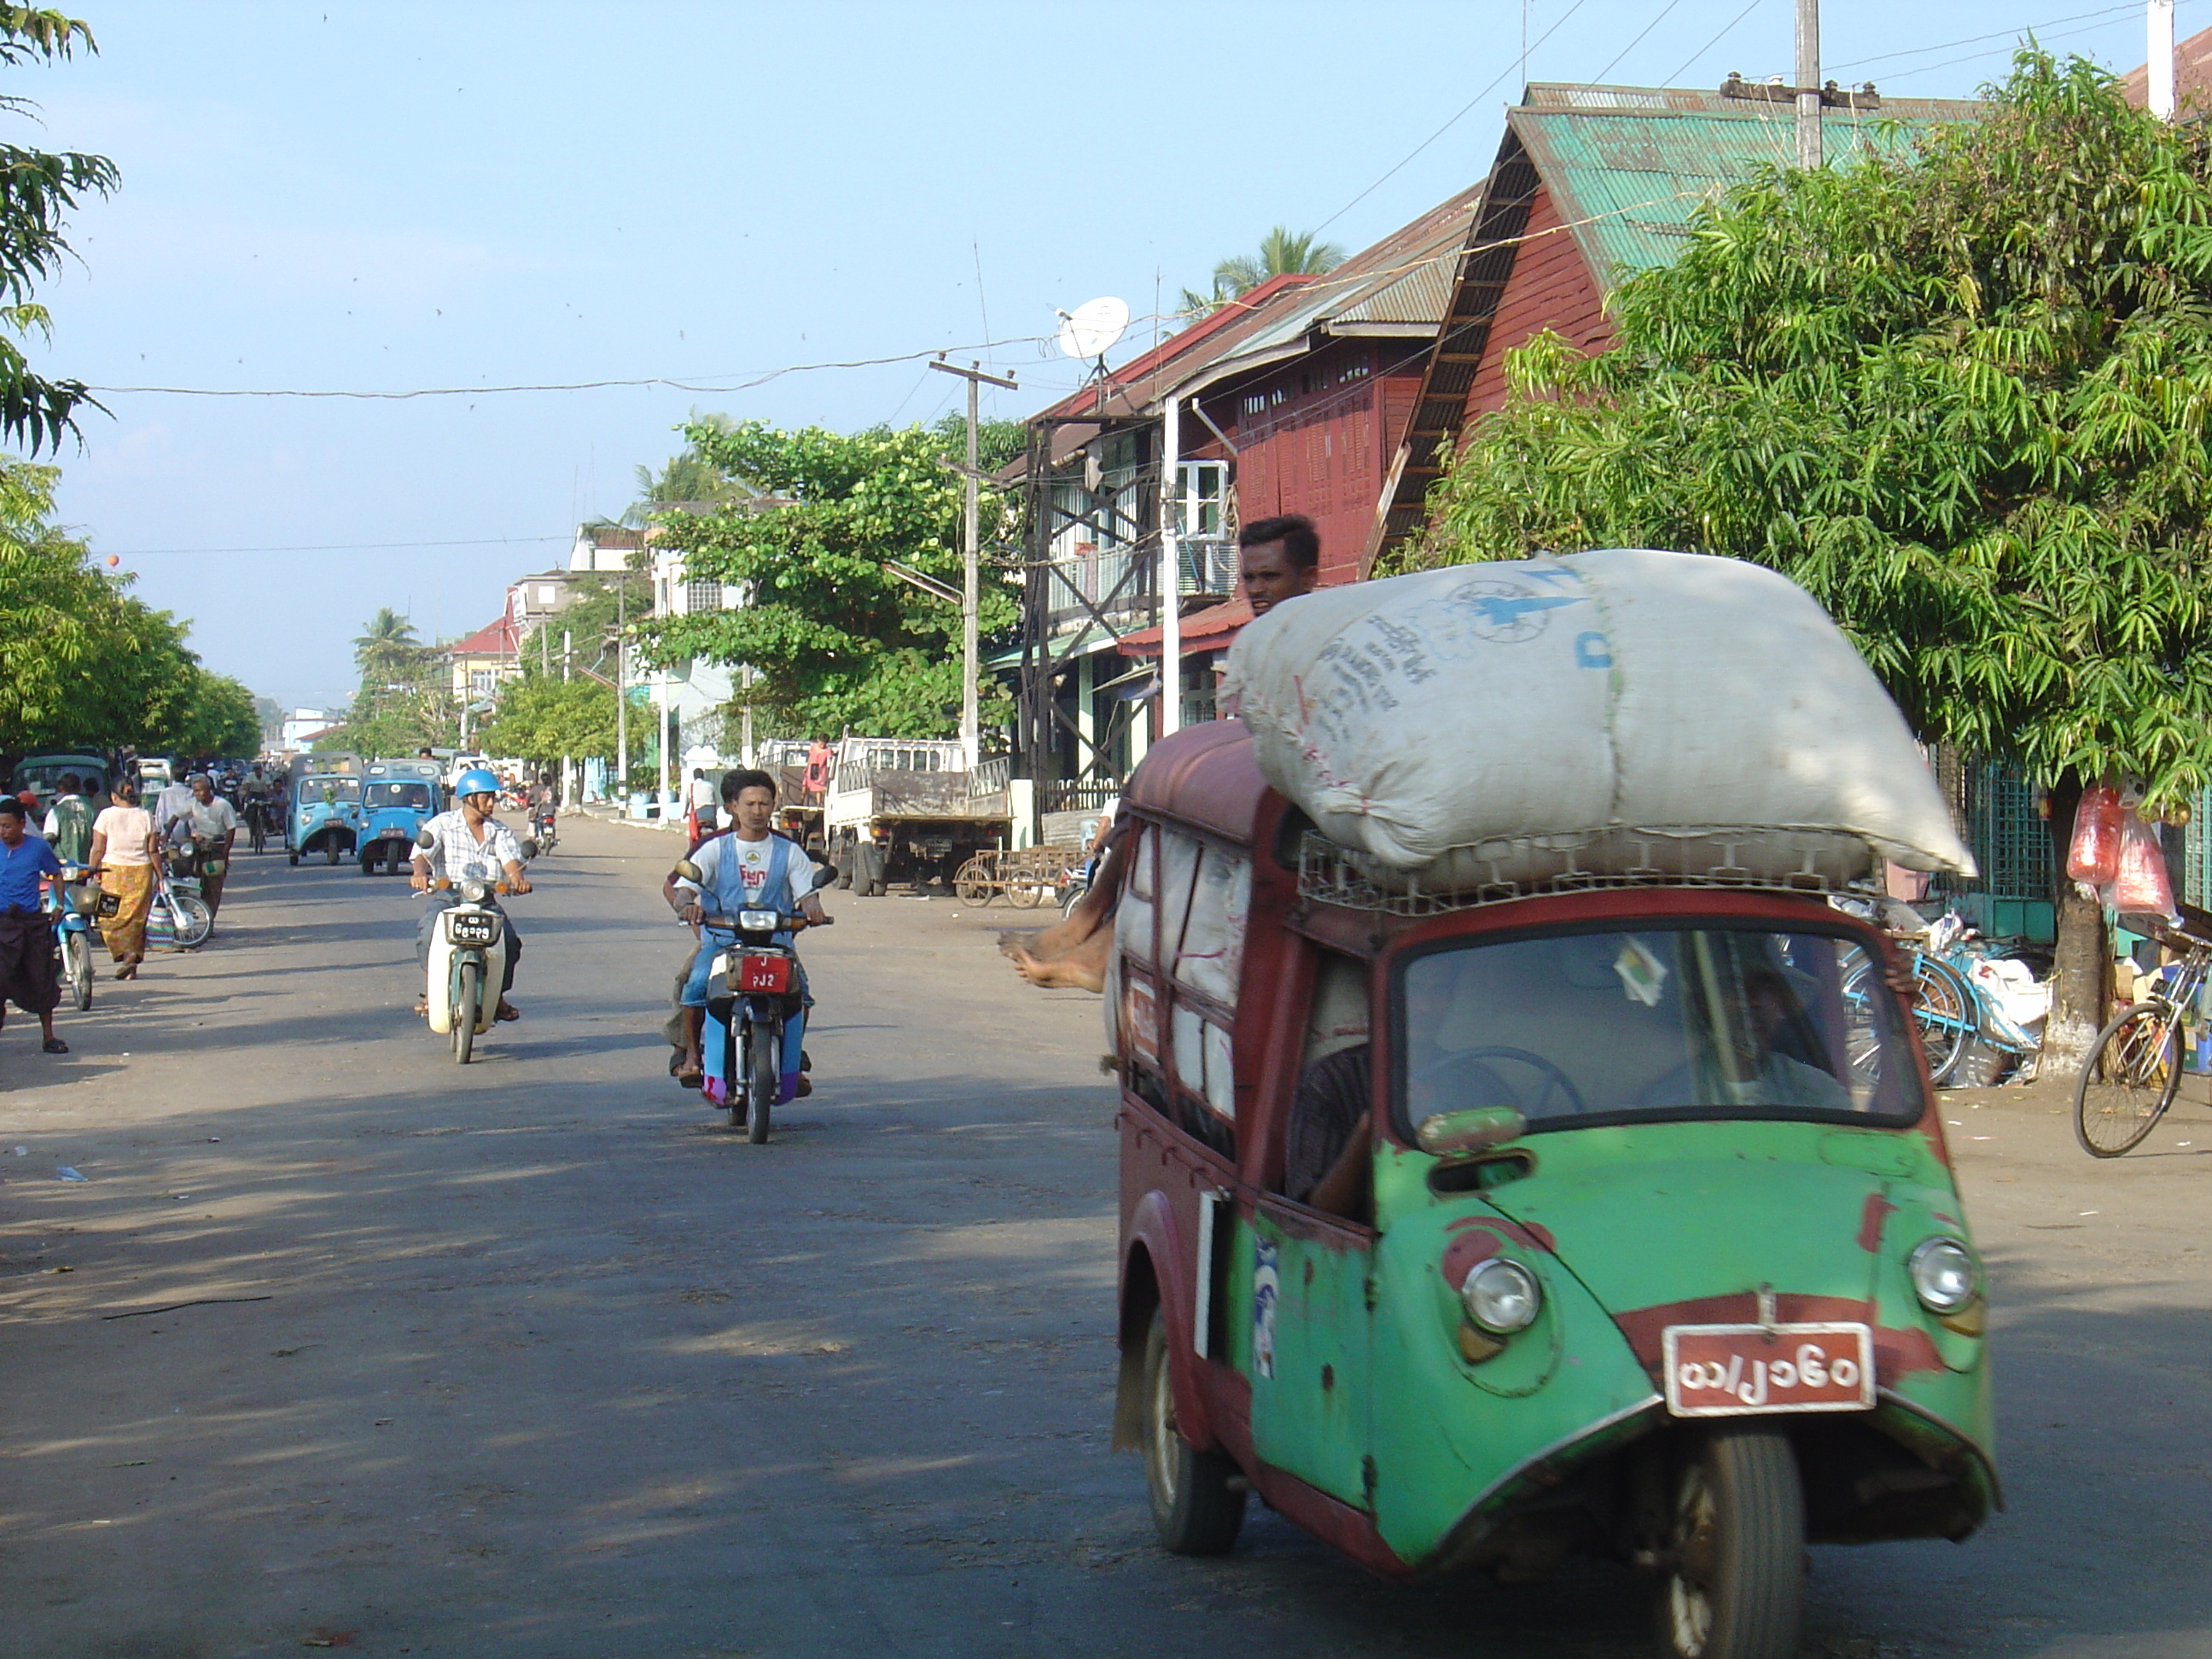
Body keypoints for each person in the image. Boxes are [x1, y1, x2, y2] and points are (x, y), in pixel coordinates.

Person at [667, 768, 824, 1096]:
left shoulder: (789, 850)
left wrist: (813, 910)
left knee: (801, 994)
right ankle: (693, 1057)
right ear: (733, 807)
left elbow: (808, 894)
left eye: (764, 804)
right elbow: (683, 889)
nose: (757, 811)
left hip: (775, 943)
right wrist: (687, 906)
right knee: (695, 986)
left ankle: (792, 1061)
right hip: (723, 943)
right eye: (750, 804)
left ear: (773, 807)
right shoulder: (713, 848)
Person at [410, 767, 532, 1021]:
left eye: (493, 797)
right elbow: (422, 854)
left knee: (509, 941)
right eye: (485, 797)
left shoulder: (499, 831)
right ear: (469, 798)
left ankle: (497, 996)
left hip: (485, 900)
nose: (491, 802)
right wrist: (419, 874)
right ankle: (432, 993)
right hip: (449, 897)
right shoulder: (443, 824)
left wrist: (518, 881)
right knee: (427, 933)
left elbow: (511, 863)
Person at [0, 795, 67, 1053]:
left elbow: (56, 874)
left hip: (30, 924)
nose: (3, 832)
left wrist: (58, 905)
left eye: (7, 826)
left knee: (41, 979)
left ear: (20, 824)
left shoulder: (37, 848)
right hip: (2, 924)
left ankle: (48, 1036)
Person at [87, 781, 157, 980]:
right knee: (136, 919)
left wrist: (92, 870)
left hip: (112, 872)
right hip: (141, 873)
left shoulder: (106, 816)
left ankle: (125, 955)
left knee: (107, 916)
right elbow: (153, 850)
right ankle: (131, 960)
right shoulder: (145, 815)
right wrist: (160, 875)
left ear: (113, 796)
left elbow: (98, 848)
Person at [178, 773, 240, 917]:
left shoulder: (222, 805)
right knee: (192, 881)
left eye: (201, 790)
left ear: (209, 789)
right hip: (199, 848)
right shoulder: (192, 804)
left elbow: (231, 829)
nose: (199, 794)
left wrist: (225, 853)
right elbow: (176, 817)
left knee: (213, 887)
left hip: (216, 849)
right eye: (195, 791)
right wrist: (165, 835)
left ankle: (210, 919)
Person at [1238, 513, 1321, 618]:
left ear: (1309, 578)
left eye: (1269, 576)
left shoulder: (1336, 631)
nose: (1255, 589)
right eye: (1249, 578)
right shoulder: (1253, 633)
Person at [42, 773, 93, 865]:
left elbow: (48, 838)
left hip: (64, 864)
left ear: (61, 788)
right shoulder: (90, 811)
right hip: (87, 864)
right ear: (79, 787)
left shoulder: (56, 811)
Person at [152, 771, 195, 845]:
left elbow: (160, 814)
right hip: (185, 832)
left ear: (172, 776)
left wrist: (161, 830)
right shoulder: (190, 792)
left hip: (167, 833)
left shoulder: (165, 792)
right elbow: (192, 815)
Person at [687, 767, 719, 836]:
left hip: (699, 814)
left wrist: (685, 813)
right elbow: (715, 800)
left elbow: (689, 801)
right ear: (703, 776)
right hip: (711, 813)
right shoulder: (710, 785)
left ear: (694, 777)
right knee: (715, 829)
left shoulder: (692, 786)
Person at [803, 736, 834, 800]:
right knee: (805, 786)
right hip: (811, 769)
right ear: (818, 741)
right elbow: (810, 757)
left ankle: (818, 805)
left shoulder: (827, 751)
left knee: (818, 789)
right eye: (821, 743)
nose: (822, 746)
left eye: (824, 744)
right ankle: (801, 801)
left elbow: (830, 761)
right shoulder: (813, 747)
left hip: (820, 771)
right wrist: (806, 767)